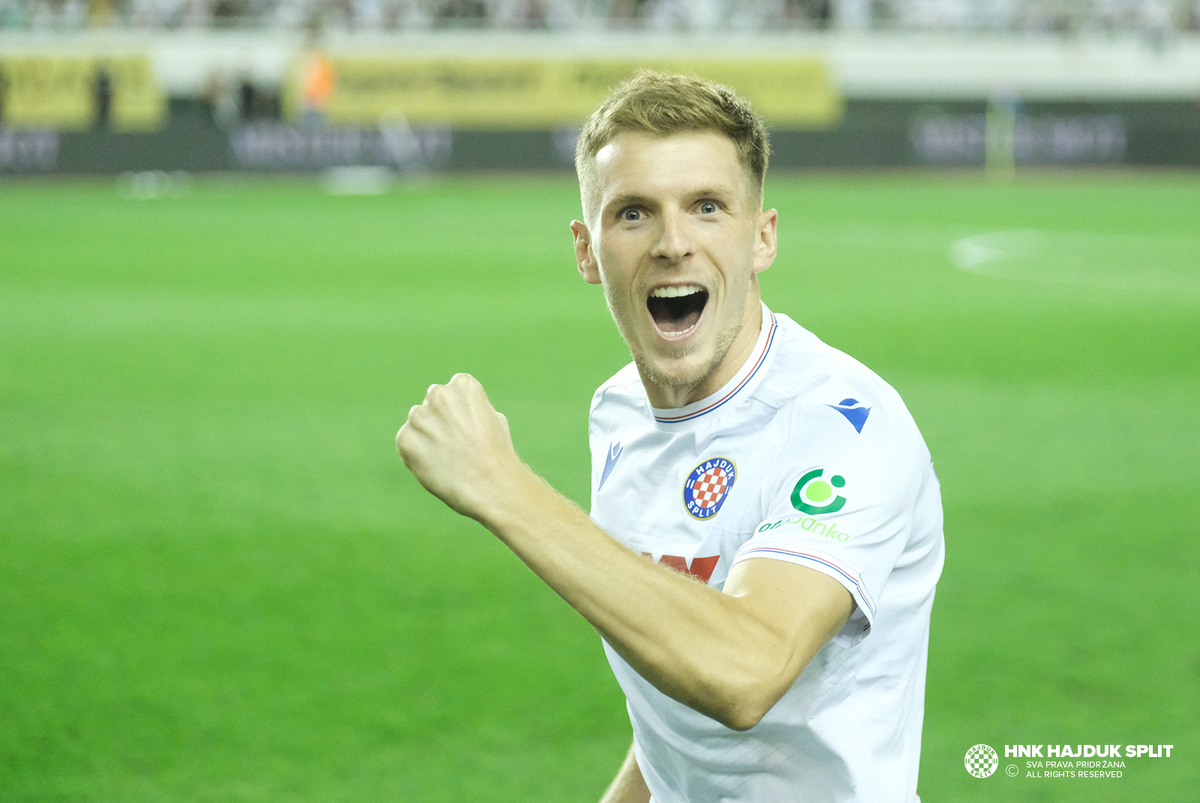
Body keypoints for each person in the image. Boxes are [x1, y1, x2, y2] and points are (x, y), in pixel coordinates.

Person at [396, 71, 944, 803]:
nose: (672, 243)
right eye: (632, 214)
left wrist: (505, 488)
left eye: (707, 207)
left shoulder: (846, 426)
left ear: (762, 237)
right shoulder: (619, 412)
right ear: (587, 253)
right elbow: (675, 717)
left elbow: (747, 671)